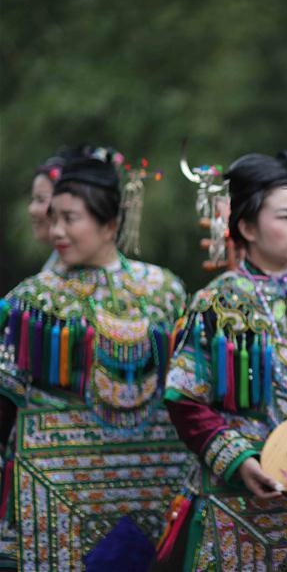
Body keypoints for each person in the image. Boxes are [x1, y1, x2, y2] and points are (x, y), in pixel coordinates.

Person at [0, 152, 188, 569]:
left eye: (71, 218)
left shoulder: (163, 289)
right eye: (54, 218)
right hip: (58, 488)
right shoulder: (29, 299)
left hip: (153, 483)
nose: (57, 231)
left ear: (109, 224)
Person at [155, 151, 287, 570]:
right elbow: (184, 396)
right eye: (284, 216)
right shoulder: (214, 301)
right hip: (236, 499)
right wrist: (238, 461)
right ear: (246, 226)